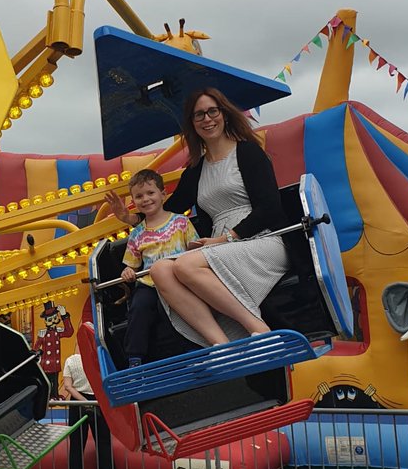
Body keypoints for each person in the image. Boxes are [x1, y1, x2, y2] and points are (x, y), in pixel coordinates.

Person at [106, 87, 288, 348]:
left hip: (260, 239)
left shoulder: (248, 152)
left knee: (185, 265)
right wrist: (129, 218)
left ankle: (258, 328)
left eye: (212, 111)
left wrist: (226, 238)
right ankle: (221, 346)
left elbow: (269, 208)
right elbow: (169, 210)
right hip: (217, 247)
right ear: (192, 123)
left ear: (224, 114)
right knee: (160, 269)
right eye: (199, 114)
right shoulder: (196, 170)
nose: (207, 119)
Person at [118, 168, 199, 366]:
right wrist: (128, 272)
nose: (145, 199)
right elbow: (131, 265)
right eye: (139, 196)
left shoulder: (181, 222)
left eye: (150, 193)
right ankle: (135, 358)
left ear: (163, 194)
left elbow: (195, 250)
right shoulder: (137, 233)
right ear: (133, 201)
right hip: (149, 283)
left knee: (177, 307)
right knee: (139, 307)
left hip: (178, 279)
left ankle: (192, 347)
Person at [61, 350, 115, 469]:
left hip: (77, 403)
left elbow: (67, 386)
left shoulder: (71, 360)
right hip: (99, 401)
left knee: (76, 445)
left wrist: (83, 401)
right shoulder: (101, 358)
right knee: (104, 443)